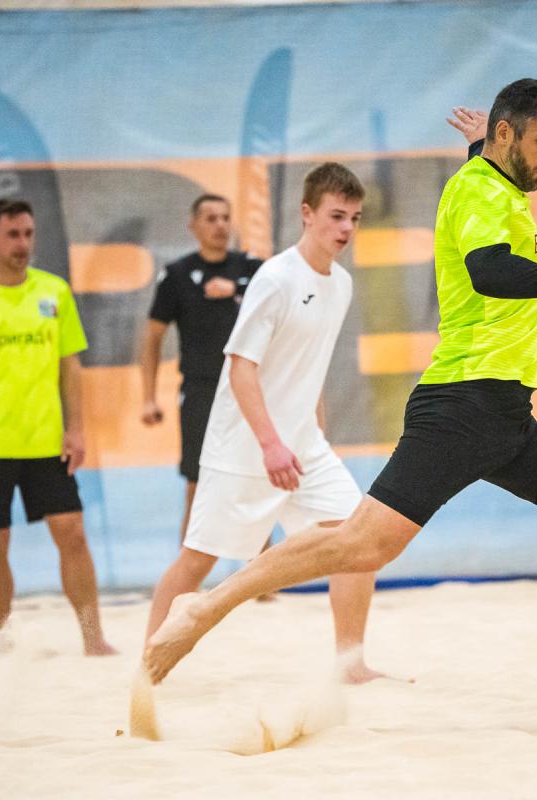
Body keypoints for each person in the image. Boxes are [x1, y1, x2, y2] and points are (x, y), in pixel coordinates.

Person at [145, 79, 537, 709]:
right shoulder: (479, 188)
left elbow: (487, 188)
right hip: (461, 406)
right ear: (507, 134)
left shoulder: (492, 183)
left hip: (507, 417)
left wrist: (484, 144)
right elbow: (490, 271)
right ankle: (205, 607)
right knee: (361, 544)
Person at [140, 163, 385, 684]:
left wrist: (313, 432)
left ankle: (351, 665)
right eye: (336, 216)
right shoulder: (274, 279)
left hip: (303, 447)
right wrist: (271, 444)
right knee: (196, 561)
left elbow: (309, 366)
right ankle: (147, 667)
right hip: (244, 448)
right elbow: (241, 368)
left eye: (355, 218)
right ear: (307, 214)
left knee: (360, 540)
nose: (346, 228)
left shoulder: (340, 284)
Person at [0, 198, 116, 656]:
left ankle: (93, 638)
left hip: (47, 441)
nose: (22, 243)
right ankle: (6, 639)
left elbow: (69, 366)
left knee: (73, 532)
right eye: (12, 234)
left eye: (28, 233)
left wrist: (76, 429)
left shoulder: (54, 292)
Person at [139, 195, 263, 542]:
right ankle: (187, 570)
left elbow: (286, 292)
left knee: (253, 485)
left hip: (247, 390)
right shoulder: (177, 275)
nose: (220, 225)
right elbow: (152, 338)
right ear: (193, 226)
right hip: (200, 391)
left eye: (225, 217)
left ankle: (262, 572)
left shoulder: (252, 269)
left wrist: (236, 289)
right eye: (210, 218)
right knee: (198, 485)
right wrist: (148, 398)